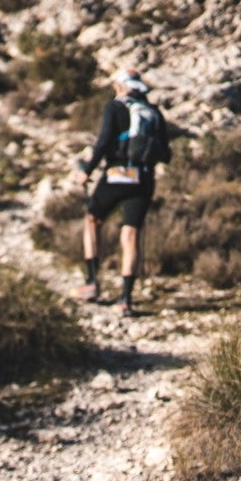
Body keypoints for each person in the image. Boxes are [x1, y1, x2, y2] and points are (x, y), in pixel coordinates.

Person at [74, 69, 170, 316]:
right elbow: (166, 155)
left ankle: (92, 282)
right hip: (144, 179)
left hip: (116, 175)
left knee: (92, 220)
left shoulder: (115, 108)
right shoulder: (154, 113)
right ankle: (126, 299)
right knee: (131, 235)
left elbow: (104, 141)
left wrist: (88, 169)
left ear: (119, 86)